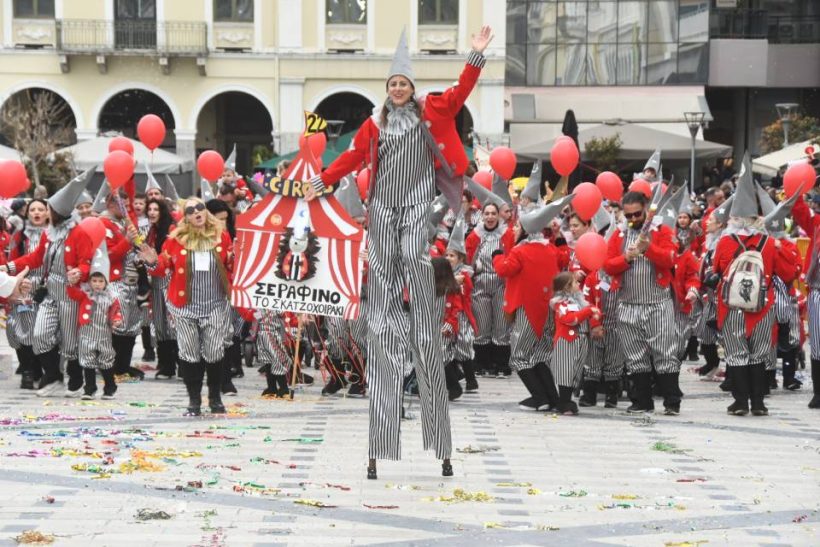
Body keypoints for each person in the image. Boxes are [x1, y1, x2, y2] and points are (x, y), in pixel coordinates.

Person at [304, 26, 494, 480]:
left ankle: (422, 308)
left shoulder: (434, 109)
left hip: (417, 202)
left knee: (415, 255)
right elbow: (351, 159)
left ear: (412, 88)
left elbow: (463, 86)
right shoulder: (376, 123)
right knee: (384, 271)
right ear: (387, 90)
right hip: (384, 205)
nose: (398, 89)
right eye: (392, 84)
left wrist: (476, 54)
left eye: (403, 83)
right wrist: (325, 181)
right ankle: (388, 314)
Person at [712, 155, 795, 416]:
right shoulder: (768, 243)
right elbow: (787, 273)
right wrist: (781, 246)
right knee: (759, 354)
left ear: (735, 217)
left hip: (732, 306)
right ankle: (758, 403)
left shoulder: (725, 243)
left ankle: (740, 402)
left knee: (736, 353)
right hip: (762, 305)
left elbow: (715, 269)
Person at [4, 169, 95, 397]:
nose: (45, 213)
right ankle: (53, 375)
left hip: (70, 294)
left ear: (58, 213)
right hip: (50, 293)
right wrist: (9, 267)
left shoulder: (79, 234)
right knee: (40, 335)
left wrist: (79, 272)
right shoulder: (48, 233)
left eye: (49, 210)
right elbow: (34, 259)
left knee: (71, 343)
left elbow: (87, 262)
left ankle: (75, 380)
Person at [139, 197, 234, 416]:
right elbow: (162, 268)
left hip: (215, 304)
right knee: (190, 353)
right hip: (184, 307)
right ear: (186, 216)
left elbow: (231, 263)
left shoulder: (221, 236)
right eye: (191, 210)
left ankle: (215, 397)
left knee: (214, 352)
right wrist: (152, 261)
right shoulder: (175, 240)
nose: (197, 212)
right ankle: (194, 401)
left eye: (200, 207)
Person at [604, 191, 681, 415]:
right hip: (628, 303)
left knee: (665, 353)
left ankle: (672, 401)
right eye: (628, 215)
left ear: (646, 209)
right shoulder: (618, 235)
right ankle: (642, 401)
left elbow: (669, 259)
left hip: (657, 302)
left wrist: (648, 248)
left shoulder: (662, 231)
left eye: (637, 214)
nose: (633, 219)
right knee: (634, 356)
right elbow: (607, 266)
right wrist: (626, 258)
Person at [493, 197, 569, 411]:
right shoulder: (550, 249)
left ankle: (540, 397)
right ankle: (551, 399)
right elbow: (564, 257)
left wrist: (497, 255)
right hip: (548, 309)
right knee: (540, 355)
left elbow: (504, 269)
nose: (515, 227)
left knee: (519, 356)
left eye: (518, 225)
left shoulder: (521, 251)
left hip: (528, 308)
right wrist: (558, 237)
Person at [67, 242, 122, 400]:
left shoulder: (111, 297)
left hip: (103, 333)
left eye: (100, 281)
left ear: (106, 282)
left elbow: (116, 312)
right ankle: (89, 388)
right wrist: (71, 283)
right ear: (90, 282)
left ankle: (110, 386)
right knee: (87, 360)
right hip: (86, 332)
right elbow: (72, 294)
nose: (97, 284)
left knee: (106, 360)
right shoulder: (85, 294)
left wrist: (117, 320)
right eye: (94, 281)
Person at [466, 200, 514, 377]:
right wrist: (473, 268)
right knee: (482, 324)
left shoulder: (507, 235)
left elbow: (513, 256)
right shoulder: (474, 236)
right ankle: (482, 364)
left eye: (493, 213)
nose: (490, 217)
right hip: (480, 283)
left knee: (502, 325)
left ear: (499, 215)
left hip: (502, 283)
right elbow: (466, 259)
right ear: (482, 216)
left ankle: (501, 364)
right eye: (487, 213)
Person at [6, 199, 48, 390]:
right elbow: (12, 261)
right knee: (21, 331)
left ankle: (41, 369)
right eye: (33, 210)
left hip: (47, 288)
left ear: (48, 213)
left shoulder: (54, 235)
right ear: (27, 213)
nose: (37, 213)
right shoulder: (20, 236)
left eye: (41, 209)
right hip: (22, 287)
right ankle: (27, 372)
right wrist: (15, 285)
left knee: (43, 332)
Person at [551, 271, 601, 415]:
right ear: (566, 287)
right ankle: (564, 401)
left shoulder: (581, 301)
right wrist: (589, 311)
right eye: (574, 282)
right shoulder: (560, 303)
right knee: (566, 371)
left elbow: (591, 309)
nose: (578, 284)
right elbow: (570, 319)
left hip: (581, 340)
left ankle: (567, 400)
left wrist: (594, 313)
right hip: (567, 341)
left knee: (575, 372)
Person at [144, 198, 178, 379]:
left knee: (173, 323)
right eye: (149, 209)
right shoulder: (151, 231)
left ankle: (180, 362)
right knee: (159, 324)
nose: (151, 212)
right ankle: (166, 365)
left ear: (162, 211)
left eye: (155, 209)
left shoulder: (171, 229)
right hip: (156, 281)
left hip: (170, 280)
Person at [443, 220, 478, 394]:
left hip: (461, 314)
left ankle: (471, 379)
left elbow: (465, 291)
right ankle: (456, 375)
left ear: (461, 258)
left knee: (463, 345)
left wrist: (456, 283)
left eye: (452, 256)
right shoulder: (445, 273)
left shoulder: (464, 274)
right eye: (447, 255)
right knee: (449, 346)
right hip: (449, 314)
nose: (448, 258)